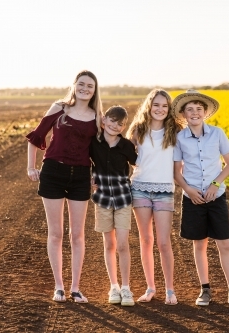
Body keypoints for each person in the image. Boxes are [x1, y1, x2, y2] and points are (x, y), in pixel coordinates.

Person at [172, 90, 229, 308]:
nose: (195, 112)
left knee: (224, 244)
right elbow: (177, 172)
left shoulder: (217, 133)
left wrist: (215, 185)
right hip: (193, 198)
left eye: (199, 109)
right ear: (183, 114)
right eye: (189, 109)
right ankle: (205, 289)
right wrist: (189, 190)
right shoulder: (180, 138)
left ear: (205, 112)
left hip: (215, 196)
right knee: (199, 244)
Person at [26, 70, 102, 303]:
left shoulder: (97, 116)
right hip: (53, 172)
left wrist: (96, 174)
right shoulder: (59, 108)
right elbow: (37, 137)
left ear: (94, 89)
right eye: (81, 84)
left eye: (90, 86)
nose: (85, 89)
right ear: (74, 85)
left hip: (80, 176)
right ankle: (59, 286)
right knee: (56, 233)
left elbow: (98, 150)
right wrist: (31, 167)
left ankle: (75, 288)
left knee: (77, 235)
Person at [126, 89, 183, 305]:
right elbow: (125, 157)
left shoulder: (175, 132)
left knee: (164, 242)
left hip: (164, 190)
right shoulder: (138, 130)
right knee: (146, 240)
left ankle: (170, 290)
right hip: (139, 187)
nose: (160, 109)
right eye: (156, 105)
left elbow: (183, 162)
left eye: (164, 106)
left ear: (169, 110)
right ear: (149, 106)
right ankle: (150, 288)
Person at [90, 106, 138, 306]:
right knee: (108, 244)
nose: (114, 125)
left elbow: (139, 164)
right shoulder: (94, 143)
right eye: (111, 120)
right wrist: (90, 178)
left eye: (120, 123)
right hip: (102, 199)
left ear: (124, 126)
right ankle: (114, 286)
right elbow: (84, 162)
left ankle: (126, 288)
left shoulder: (126, 146)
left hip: (123, 199)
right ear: (103, 120)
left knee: (122, 244)